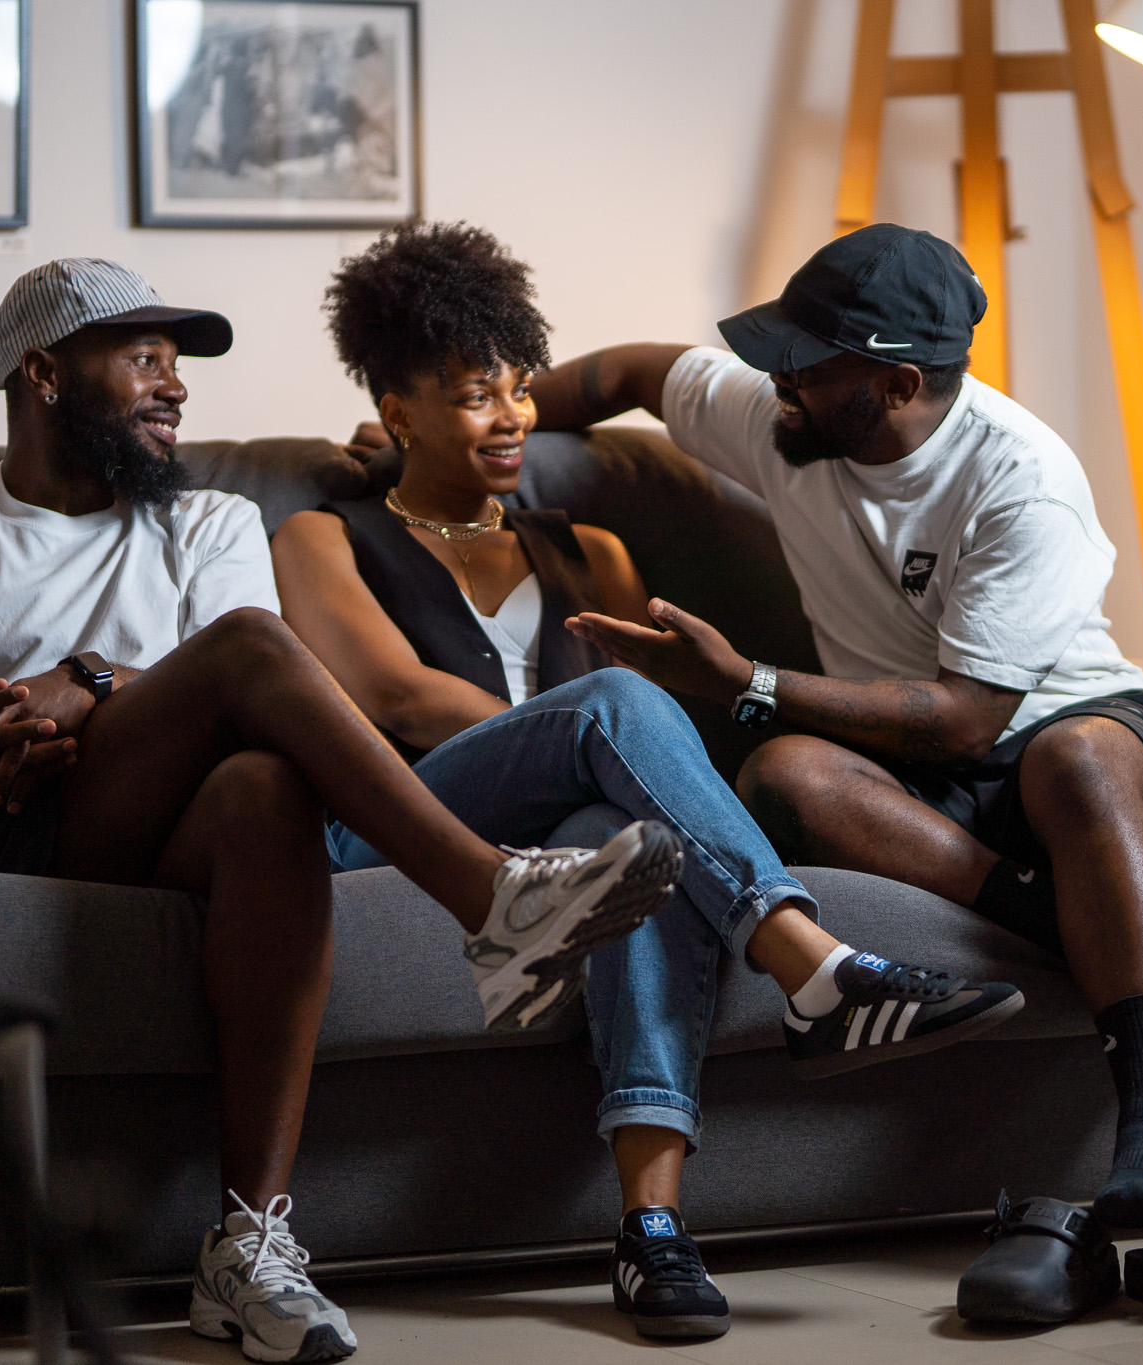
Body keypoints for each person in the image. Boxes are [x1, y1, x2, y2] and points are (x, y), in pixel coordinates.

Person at [0, 258, 688, 1365]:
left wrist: (88, 681)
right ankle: (492, 896)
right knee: (253, 655)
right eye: (143, 360)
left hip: (178, 826)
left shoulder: (209, 521)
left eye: (177, 365)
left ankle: (247, 1243)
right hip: (13, 831)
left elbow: (246, 692)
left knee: (265, 787)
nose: (174, 386)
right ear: (44, 373)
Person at [528, 224, 1143, 1330]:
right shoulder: (780, 418)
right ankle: (1056, 924)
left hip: (1070, 728)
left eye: (806, 363)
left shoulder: (1020, 479)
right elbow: (626, 374)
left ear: (896, 384)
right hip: (913, 767)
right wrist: (503, 415)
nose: (777, 379)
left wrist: (746, 678)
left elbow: (966, 720)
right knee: (785, 771)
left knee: (1073, 761)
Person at [278, 222, 1025, 1341]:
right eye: (474, 396)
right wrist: (583, 732)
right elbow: (395, 697)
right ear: (397, 414)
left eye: (520, 389)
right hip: (405, 822)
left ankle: (653, 1230)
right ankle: (812, 966)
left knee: (649, 853)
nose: (512, 416)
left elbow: (638, 748)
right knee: (616, 709)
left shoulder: (593, 550)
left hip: (569, 837)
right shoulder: (322, 536)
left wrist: (615, 755)